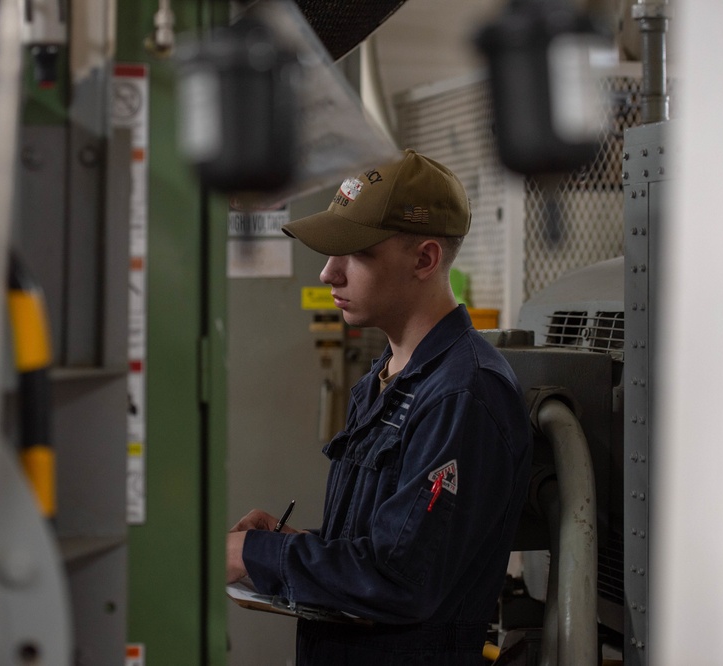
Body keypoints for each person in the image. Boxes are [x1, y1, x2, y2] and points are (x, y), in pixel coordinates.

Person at [226, 149, 532, 665]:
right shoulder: (386, 379)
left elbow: (402, 578)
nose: (328, 274)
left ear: (424, 259)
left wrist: (255, 554)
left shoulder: (464, 394)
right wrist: (294, 544)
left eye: (355, 253)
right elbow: (388, 546)